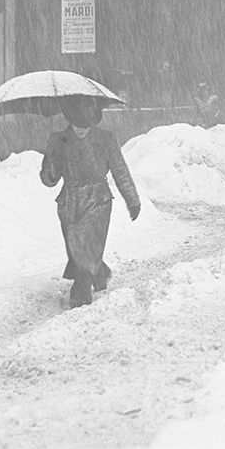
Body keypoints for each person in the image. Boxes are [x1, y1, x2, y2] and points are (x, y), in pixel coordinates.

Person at [40, 95, 141, 307]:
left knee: (87, 248)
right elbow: (50, 180)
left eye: (86, 124)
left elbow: (119, 169)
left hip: (98, 200)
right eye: (77, 124)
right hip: (70, 201)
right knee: (76, 248)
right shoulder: (58, 140)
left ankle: (81, 291)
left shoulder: (105, 138)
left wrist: (132, 199)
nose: (81, 129)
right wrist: (50, 161)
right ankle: (99, 271)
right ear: (69, 119)